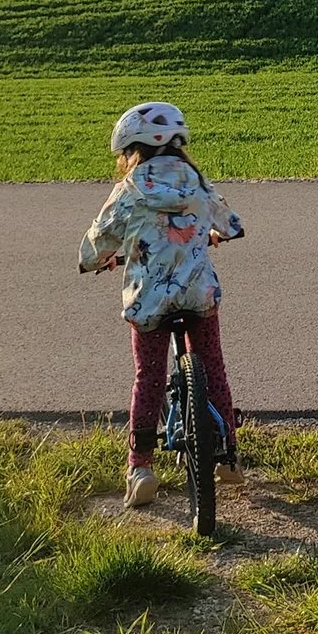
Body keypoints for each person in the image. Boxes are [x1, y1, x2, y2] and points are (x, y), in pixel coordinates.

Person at [79, 101, 245, 507]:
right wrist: (206, 233)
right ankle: (229, 458)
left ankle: (140, 467)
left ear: (132, 149)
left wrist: (103, 259)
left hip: (150, 300)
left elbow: (94, 249)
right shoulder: (196, 181)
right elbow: (233, 225)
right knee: (212, 366)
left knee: (149, 377)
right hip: (197, 294)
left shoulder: (130, 189)